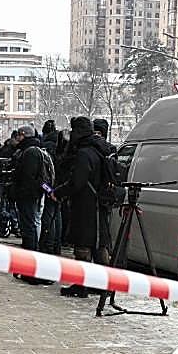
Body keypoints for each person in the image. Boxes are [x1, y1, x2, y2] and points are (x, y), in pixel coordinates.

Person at [57, 116, 106, 297]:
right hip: (99, 204)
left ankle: (81, 285)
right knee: (98, 245)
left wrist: (59, 192)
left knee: (83, 245)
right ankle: (102, 284)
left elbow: (77, 181)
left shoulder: (84, 153)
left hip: (85, 204)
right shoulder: (99, 148)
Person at [11, 125, 49, 283]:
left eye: (19, 135)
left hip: (28, 196)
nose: (16, 139)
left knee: (30, 229)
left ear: (24, 135)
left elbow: (31, 177)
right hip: (31, 195)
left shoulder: (30, 152)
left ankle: (31, 269)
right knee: (30, 228)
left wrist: (19, 190)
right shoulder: (34, 150)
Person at [92, 118, 120, 266]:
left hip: (95, 197)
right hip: (108, 195)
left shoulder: (95, 148)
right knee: (104, 233)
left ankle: (101, 270)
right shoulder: (111, 149)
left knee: (98, 235)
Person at [39, 121, 61, 255]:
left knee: (48, 216)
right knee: (57, 216)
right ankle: (56, 245)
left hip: (50, 187)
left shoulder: (45, 149)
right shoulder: (62, 146)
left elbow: (43, 174)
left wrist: (46, 189)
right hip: (60, 186)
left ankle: (48, 245)